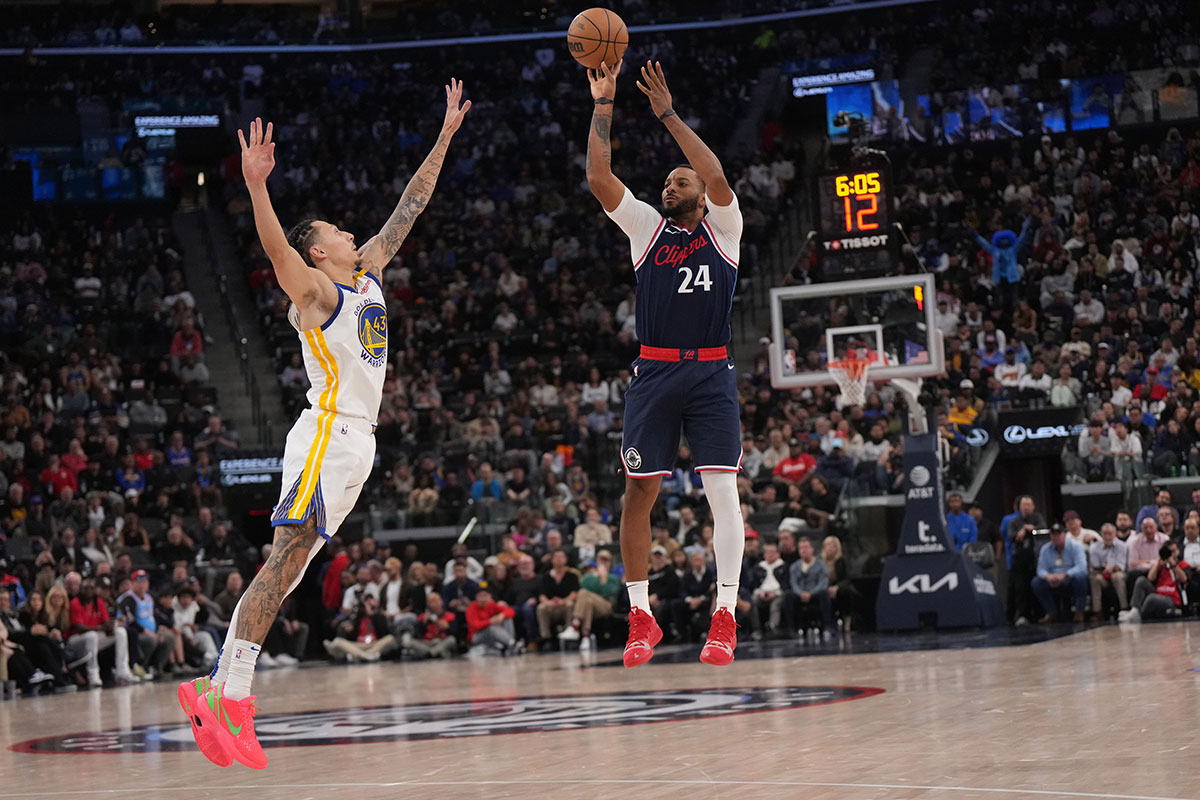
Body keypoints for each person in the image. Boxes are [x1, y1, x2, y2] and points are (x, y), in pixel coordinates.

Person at [188, 84, 471, 771]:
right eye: (335, 233)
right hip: (326, 434)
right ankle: (238, 699)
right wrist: (258, 188)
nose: (350, 232)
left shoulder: (369, 270)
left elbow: (412, 203)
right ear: (319, 254)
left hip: (358, 445)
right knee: (283, 558)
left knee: (285, 571)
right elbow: (278, 257)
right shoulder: (317, 292)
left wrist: (445, 136)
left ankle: (215, 688)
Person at [587, 59, 745, 668]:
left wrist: (667, 115)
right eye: (666, 182)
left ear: (702, 196)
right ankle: (641, 616)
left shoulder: (726, 229)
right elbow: (599, 176)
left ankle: (724, 615)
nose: (668, 186)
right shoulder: (646, 230)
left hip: (711, 372)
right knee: (637, 494)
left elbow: (715, 171)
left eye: (680, 182)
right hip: (654, 373)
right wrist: (604, 104)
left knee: (722, 494)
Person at [69, 577, 135, 686]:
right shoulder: (75, 603)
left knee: (120, 632)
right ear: (80, 589)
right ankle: (93, 674)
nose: (89, 591)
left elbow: (105, 622)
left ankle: (122, 671)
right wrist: (100, 628)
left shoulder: (99, 602)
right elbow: (79, 628)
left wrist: (111, 626)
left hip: (93, 638)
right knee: (92, 635)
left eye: (91, 588)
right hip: (75, 641)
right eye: (86, 588)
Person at [558, 551, 621, 650]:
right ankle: (585, 637)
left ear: (610, 562)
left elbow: (606, 593)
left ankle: (575, 626)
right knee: (587, 601)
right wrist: (598, 579)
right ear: (597, 561)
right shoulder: (588, 577)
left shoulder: (613, 578)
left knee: (584, 594)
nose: (603, 563)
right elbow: (584, 586)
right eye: (601, 560)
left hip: (606, 606)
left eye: (606, 560)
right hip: (591, 605)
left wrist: (603, 577)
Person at [1031, 524, 1088, 623]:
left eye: (1059, 534)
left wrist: (1065, 575)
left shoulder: (1075, 547)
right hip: (1052, 579)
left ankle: (1079, 612)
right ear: (1051, 537)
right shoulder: (1045, 549)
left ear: (1064, 535)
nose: (1056, 537)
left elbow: (1081, 567)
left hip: (1070, 579)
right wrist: (1048, 576)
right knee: (1036, 582)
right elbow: (1040, 569)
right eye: (1054, 535)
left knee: (1081, 578)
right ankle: (1051, 612)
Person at [1120, 542, 1187, 624]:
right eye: (1169, 551)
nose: (1171, 554)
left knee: (1151, 598)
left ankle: (1138, 616)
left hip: (1171, 599)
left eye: (1173, 551)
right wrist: (1159, 559)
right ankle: (1134, 610)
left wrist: (1173, 563)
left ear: (1178, 551)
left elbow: (1184, 579)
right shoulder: (1161, 566)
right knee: (1141, 580)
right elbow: (1150, 578)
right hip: (1158, 592)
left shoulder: (1182, 564)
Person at [784, 537, 832, 638]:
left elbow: (823, 582)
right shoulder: (794, 566)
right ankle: (792, 629)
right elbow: (793, 583)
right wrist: (801, 593)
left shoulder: (821, 565)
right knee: (788, 595)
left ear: (812, 549)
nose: (804, 550)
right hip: (800, 595)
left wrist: (810, 594)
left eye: (806, 547)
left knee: (824, 594)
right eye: (801, 548)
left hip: (815, 594)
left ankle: (827, 626)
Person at [535, 549, 579, 646]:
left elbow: (574, 594)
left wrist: (562, 601)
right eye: (556, 557)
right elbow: (542, 595)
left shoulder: (572, 576)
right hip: (551, 606)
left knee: (570, 605)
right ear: (552, 560)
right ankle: (546, 638)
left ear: (566, 559)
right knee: (541, 608)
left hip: (565, 605)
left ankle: (569, 636)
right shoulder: (546, 577)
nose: (559, 559)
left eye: (561, 557)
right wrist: (549, 603)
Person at [1088, 523, 1129, 615]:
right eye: (1105, 534)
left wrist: (1112, 568)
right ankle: (1097, 611)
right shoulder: (1094, 547)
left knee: (1117, 577)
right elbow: (1095, 566)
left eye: (1110, 534)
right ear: (1101, 535)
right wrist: (1102, 569)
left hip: (1118, 572)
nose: (1107, 537)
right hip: (1102, 575)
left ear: (1115, 534)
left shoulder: (1122, 546)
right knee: (1094, 578)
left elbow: (1121, 566)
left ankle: (1124, 608)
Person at [401, 592, 456, 659]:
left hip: (440, 641)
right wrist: (423, 624)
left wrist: (447, 628)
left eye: (435, 601)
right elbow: (417, 635)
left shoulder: (450, 616)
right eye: (430, 602)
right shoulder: (423, 617)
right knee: (409, 641)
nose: (433, 604)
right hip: (426, 643)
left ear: (441, 601)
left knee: (451, 640)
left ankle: (430, 653)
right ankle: (434, 653)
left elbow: (455, 634)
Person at [464, 588, 516, 655]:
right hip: (476, 636)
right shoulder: (471, 608)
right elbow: (475, 626)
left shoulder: (492, 605)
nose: (482, 599)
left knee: (507, 618)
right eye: (480, 596)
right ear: (476, 597)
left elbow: (511, 611)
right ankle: (512, 643)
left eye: (485, 596)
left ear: (490, 597)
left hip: (492, 634)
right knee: (491, 628)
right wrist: (490, 621)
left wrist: (502, 615)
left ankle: (509, 643)